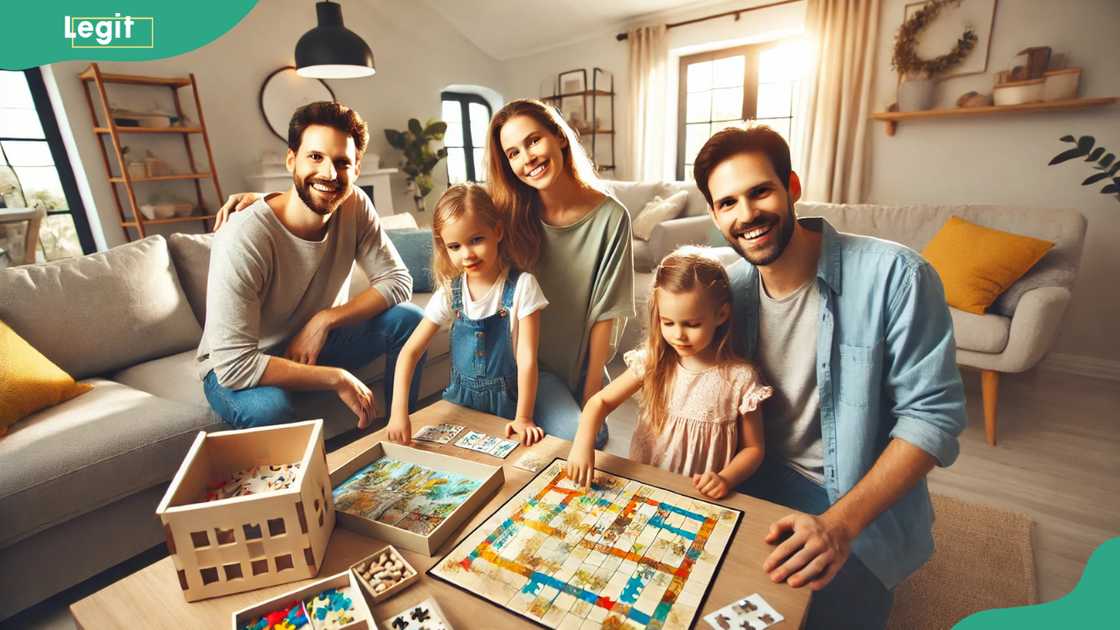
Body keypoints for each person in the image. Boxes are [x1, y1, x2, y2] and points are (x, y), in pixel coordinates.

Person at [694, 125, 967, 629]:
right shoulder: (726, 292)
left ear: (792, 187)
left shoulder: (898, 276)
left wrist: (838, 527)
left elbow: (934, 417)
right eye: (727, 202)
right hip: (756, 471)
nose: (747, 215)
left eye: (760, 191)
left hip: (851, 495)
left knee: (822, 618)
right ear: (714, 215)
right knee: (700, 598)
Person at [198, 101, 425, 430]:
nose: (330, 174)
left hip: (320, 343)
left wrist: (324, 320)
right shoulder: (244, 236)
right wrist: (335, 378)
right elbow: (234, 365)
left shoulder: (355, 204)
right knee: (270, 411)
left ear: (356, 170)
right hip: (248, 361)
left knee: (411, 321)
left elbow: (397, 280)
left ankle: (399, 432)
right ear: (292, 160)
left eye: (342, 162)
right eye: (315, 157)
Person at [487, 99, 636, 448]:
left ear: (560, 137)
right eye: (513, 153)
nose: (528, 158)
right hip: (526, 367)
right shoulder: (508, 216)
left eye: (534, 141)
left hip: (579, 363)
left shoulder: (612, 217)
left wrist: (590, 400)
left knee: (590, 434)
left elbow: (606, 315)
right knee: (579, 438)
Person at [565, 247, 771, 499]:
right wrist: (583, 443)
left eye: (692, 324)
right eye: (668, 322)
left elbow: (754, 449)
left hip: (699, 498)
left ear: (721, 314)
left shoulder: (741, 379)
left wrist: (725, 479)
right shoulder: (653, 362)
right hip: (644, 487)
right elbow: (599, 402)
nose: (678, 335)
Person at [386, 183, 547, 446]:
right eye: (455, 246)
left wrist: (524, 418)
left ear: (497, 231)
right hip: (459, 404)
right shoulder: (450, 292)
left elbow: (527, 359)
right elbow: (409, 352)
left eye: (476, 240)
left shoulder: (523, 286)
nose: (467, 254)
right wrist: (398, 413)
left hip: (507, 407)